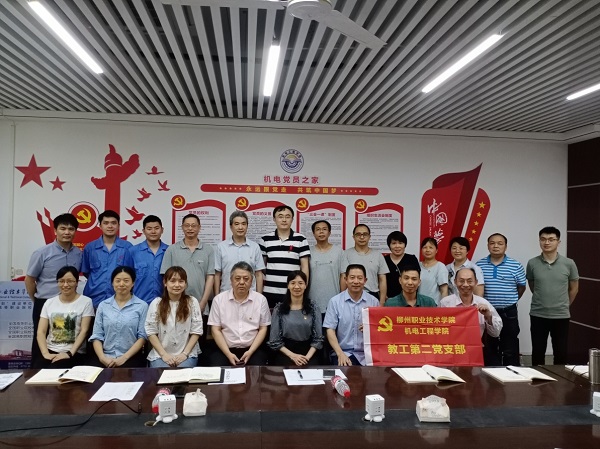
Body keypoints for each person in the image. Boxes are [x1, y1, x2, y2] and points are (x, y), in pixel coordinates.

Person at [25, 213, 82, 368]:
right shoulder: (42, 253)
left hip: (69, 304)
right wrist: (37, 300)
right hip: (45, 303)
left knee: (65, 342)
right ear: (55, 230)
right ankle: (37, 373)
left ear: (75, 231)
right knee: (41, 340)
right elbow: (29, 279)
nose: (67, 232)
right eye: (63, 228)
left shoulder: (78, 253)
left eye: (71, 229)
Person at [526, 226, 579, 365]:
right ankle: (537, 378)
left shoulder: (569, 263)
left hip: (561, 315)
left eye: (551, 239)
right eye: (543, 239)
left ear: (558, 242)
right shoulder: (532, 263)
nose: (547, 242)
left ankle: (560, 379)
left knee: (560, 353)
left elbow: (574, 288)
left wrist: (564, 304)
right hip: (538, 314)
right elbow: (533, 285)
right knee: (537, 352)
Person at [476, 233, 526, 366]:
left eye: (500, 243)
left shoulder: (516, 265)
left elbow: (521, 287)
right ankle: (491, 373)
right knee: (490, 345)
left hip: (508, 311)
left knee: (510, 344)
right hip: (487, 312)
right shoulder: (479, 265)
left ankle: (512, 372)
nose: (496, 246)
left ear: (506, 246)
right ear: (488, 246)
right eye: (492, 243)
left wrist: (510, 300)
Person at [208, 261, 271, 366]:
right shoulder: (218, 300)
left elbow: (263, 329)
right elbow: (215, 330)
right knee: (218, 368)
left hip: (253, 348)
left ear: (252, 281)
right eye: (237, 278)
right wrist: (228, 354)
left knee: (257, 369)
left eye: (246, 279)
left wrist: (250, 351)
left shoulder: (261, 300)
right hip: (225, 348)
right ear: (231, 280)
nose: (241, 282)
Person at [34, 266, 94, 369]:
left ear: (77, 282)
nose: (65, 285)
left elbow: (84, 331)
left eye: (70, 281)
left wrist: (69, 353)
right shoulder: (49, 302)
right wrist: (45, 354)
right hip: (50, 350)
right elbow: (41, 332)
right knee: (35, 373)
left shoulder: (86, 302)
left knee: (53, 371)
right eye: (61, 281)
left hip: (74, 353)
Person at [440, 268, 502, 365]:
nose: (465, 285)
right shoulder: (445, 303)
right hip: (450, 352)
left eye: (469, 281)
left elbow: (496, 333)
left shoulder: (483, 303)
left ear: (476, 282)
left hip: (477, 352)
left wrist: (488, 316)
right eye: (461, 281)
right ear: (455, 282)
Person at [89, 266, 148, 367]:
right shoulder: (103, 305)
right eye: (118, 280)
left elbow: (142, 337)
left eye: (126, 281)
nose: (121, 284)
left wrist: (123, 358)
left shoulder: (142, 306)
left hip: (131, 357)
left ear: (133, 283)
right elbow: (97, 335)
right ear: (112, 283)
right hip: (105, 356)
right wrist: (102, 358)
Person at [145, 266, 203, 368]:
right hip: (160, 354)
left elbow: (196, 331)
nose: (177, 285)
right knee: (162, 374)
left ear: (185, 284)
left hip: (187, 354)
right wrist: (164, 355)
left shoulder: (192, 302)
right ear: (165, 283)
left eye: (181, 281)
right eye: (172, 281)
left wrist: (184, 354)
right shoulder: (156, 303)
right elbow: (150, 331)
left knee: (182, 375)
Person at [323, 264, 379, 366]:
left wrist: (371, 328)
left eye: (360, 278)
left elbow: (380, 330)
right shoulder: (335, 302)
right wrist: (340, 354)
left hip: (368, 354)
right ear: (346, 279)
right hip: (344, 353)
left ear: (365, 280)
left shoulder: (374, 302)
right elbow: (330, 330)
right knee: (346, 372)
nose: (356, 281)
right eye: (352, 277)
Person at [160, 214, 215, 314]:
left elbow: (210, 277)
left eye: (193, 225)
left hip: (200, 304)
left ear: (199, 227)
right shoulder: (172, 249)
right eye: (187, 225)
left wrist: (203, 302)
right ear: (182, 227)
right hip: (175, 305)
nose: (190, 228)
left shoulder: (208, 250)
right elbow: (166, 278)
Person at [268, 271, 324, 366]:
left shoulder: (313, 308)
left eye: (300, 283)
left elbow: (318, 339)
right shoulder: (279, 309)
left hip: (309, 352)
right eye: (293, 283)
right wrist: (293, 356)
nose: (297, 287)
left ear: (305, 285)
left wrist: (306, 358)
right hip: (285, 352)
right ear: (288, 286)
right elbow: (274, 340)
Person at [259, 205, 310, 308]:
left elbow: (305, 267)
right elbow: (261, 268)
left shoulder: (301, 239)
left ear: (292, 219)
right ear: (274, 219)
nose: (284, 220)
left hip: (292, 291)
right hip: (270, 291)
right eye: (280, 216)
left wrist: (302, 287)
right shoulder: (265, 239)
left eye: (287, 216)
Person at [82, 210, 133, 308]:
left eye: (113, 223)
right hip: (94, 298)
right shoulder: (90, 248)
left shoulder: (127, 248)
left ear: (118, 226)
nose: (110, 226)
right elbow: (86, 272)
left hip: (119, 299)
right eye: (106, 223)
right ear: (100, 226)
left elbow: (131, 273)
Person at [214, 211, 265, 294]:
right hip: (226, 294)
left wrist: (259, 296)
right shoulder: (221, 247)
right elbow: (217, 274)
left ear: (247, 226)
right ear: (231, 226)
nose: (240, 227)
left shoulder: (255, 247)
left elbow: (259, 274)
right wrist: (217, 296)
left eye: (243, 224)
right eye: (237, 224)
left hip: (250, 295)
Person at [308, 219, 346, 316]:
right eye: (318, 229)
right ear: (313, 233)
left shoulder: (339, 251)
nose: (321, 232)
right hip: (312, 301)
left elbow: (343, 276)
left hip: (334, 300)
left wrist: (342, 297)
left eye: (324, 229)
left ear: (329, 233)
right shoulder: (308, 252)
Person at [344, 224, 389, 305]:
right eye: (358, 234)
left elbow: (382, 279)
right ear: (353, 237)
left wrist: (382, 301)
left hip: (373, 294)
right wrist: (343, 298)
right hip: (351, 294)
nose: (362, 237)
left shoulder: (378, 255)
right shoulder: (346, 254)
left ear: (369, 237)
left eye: (365, 234)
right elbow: (343, 277)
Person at [128, 215, 168, 304]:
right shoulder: (133, 251)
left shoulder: (169, 251)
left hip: (164, 303)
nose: (153, 231)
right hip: (139, 303)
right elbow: (127, 277)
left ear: (162, 230)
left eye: (156, 228)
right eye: (149, 229)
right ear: (143, 231)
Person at [383, 231, 419, 300]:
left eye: (400, 243)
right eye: (394, 243)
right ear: (389, 245)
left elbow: (416, 279)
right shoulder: (384, 260)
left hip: (409, 299)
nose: (397, 246)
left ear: (405, 245)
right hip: (388, 299)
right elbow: (380, 280)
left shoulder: (411, 259)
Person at [418, 237, 448, 305]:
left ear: (436, 250)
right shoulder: (417, 265)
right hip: (418, 305)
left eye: (431, 247)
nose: (427, 250)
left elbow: (444, 290)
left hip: (434, 306)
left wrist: (443, 307)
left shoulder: (440, 266)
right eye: (425, 247)